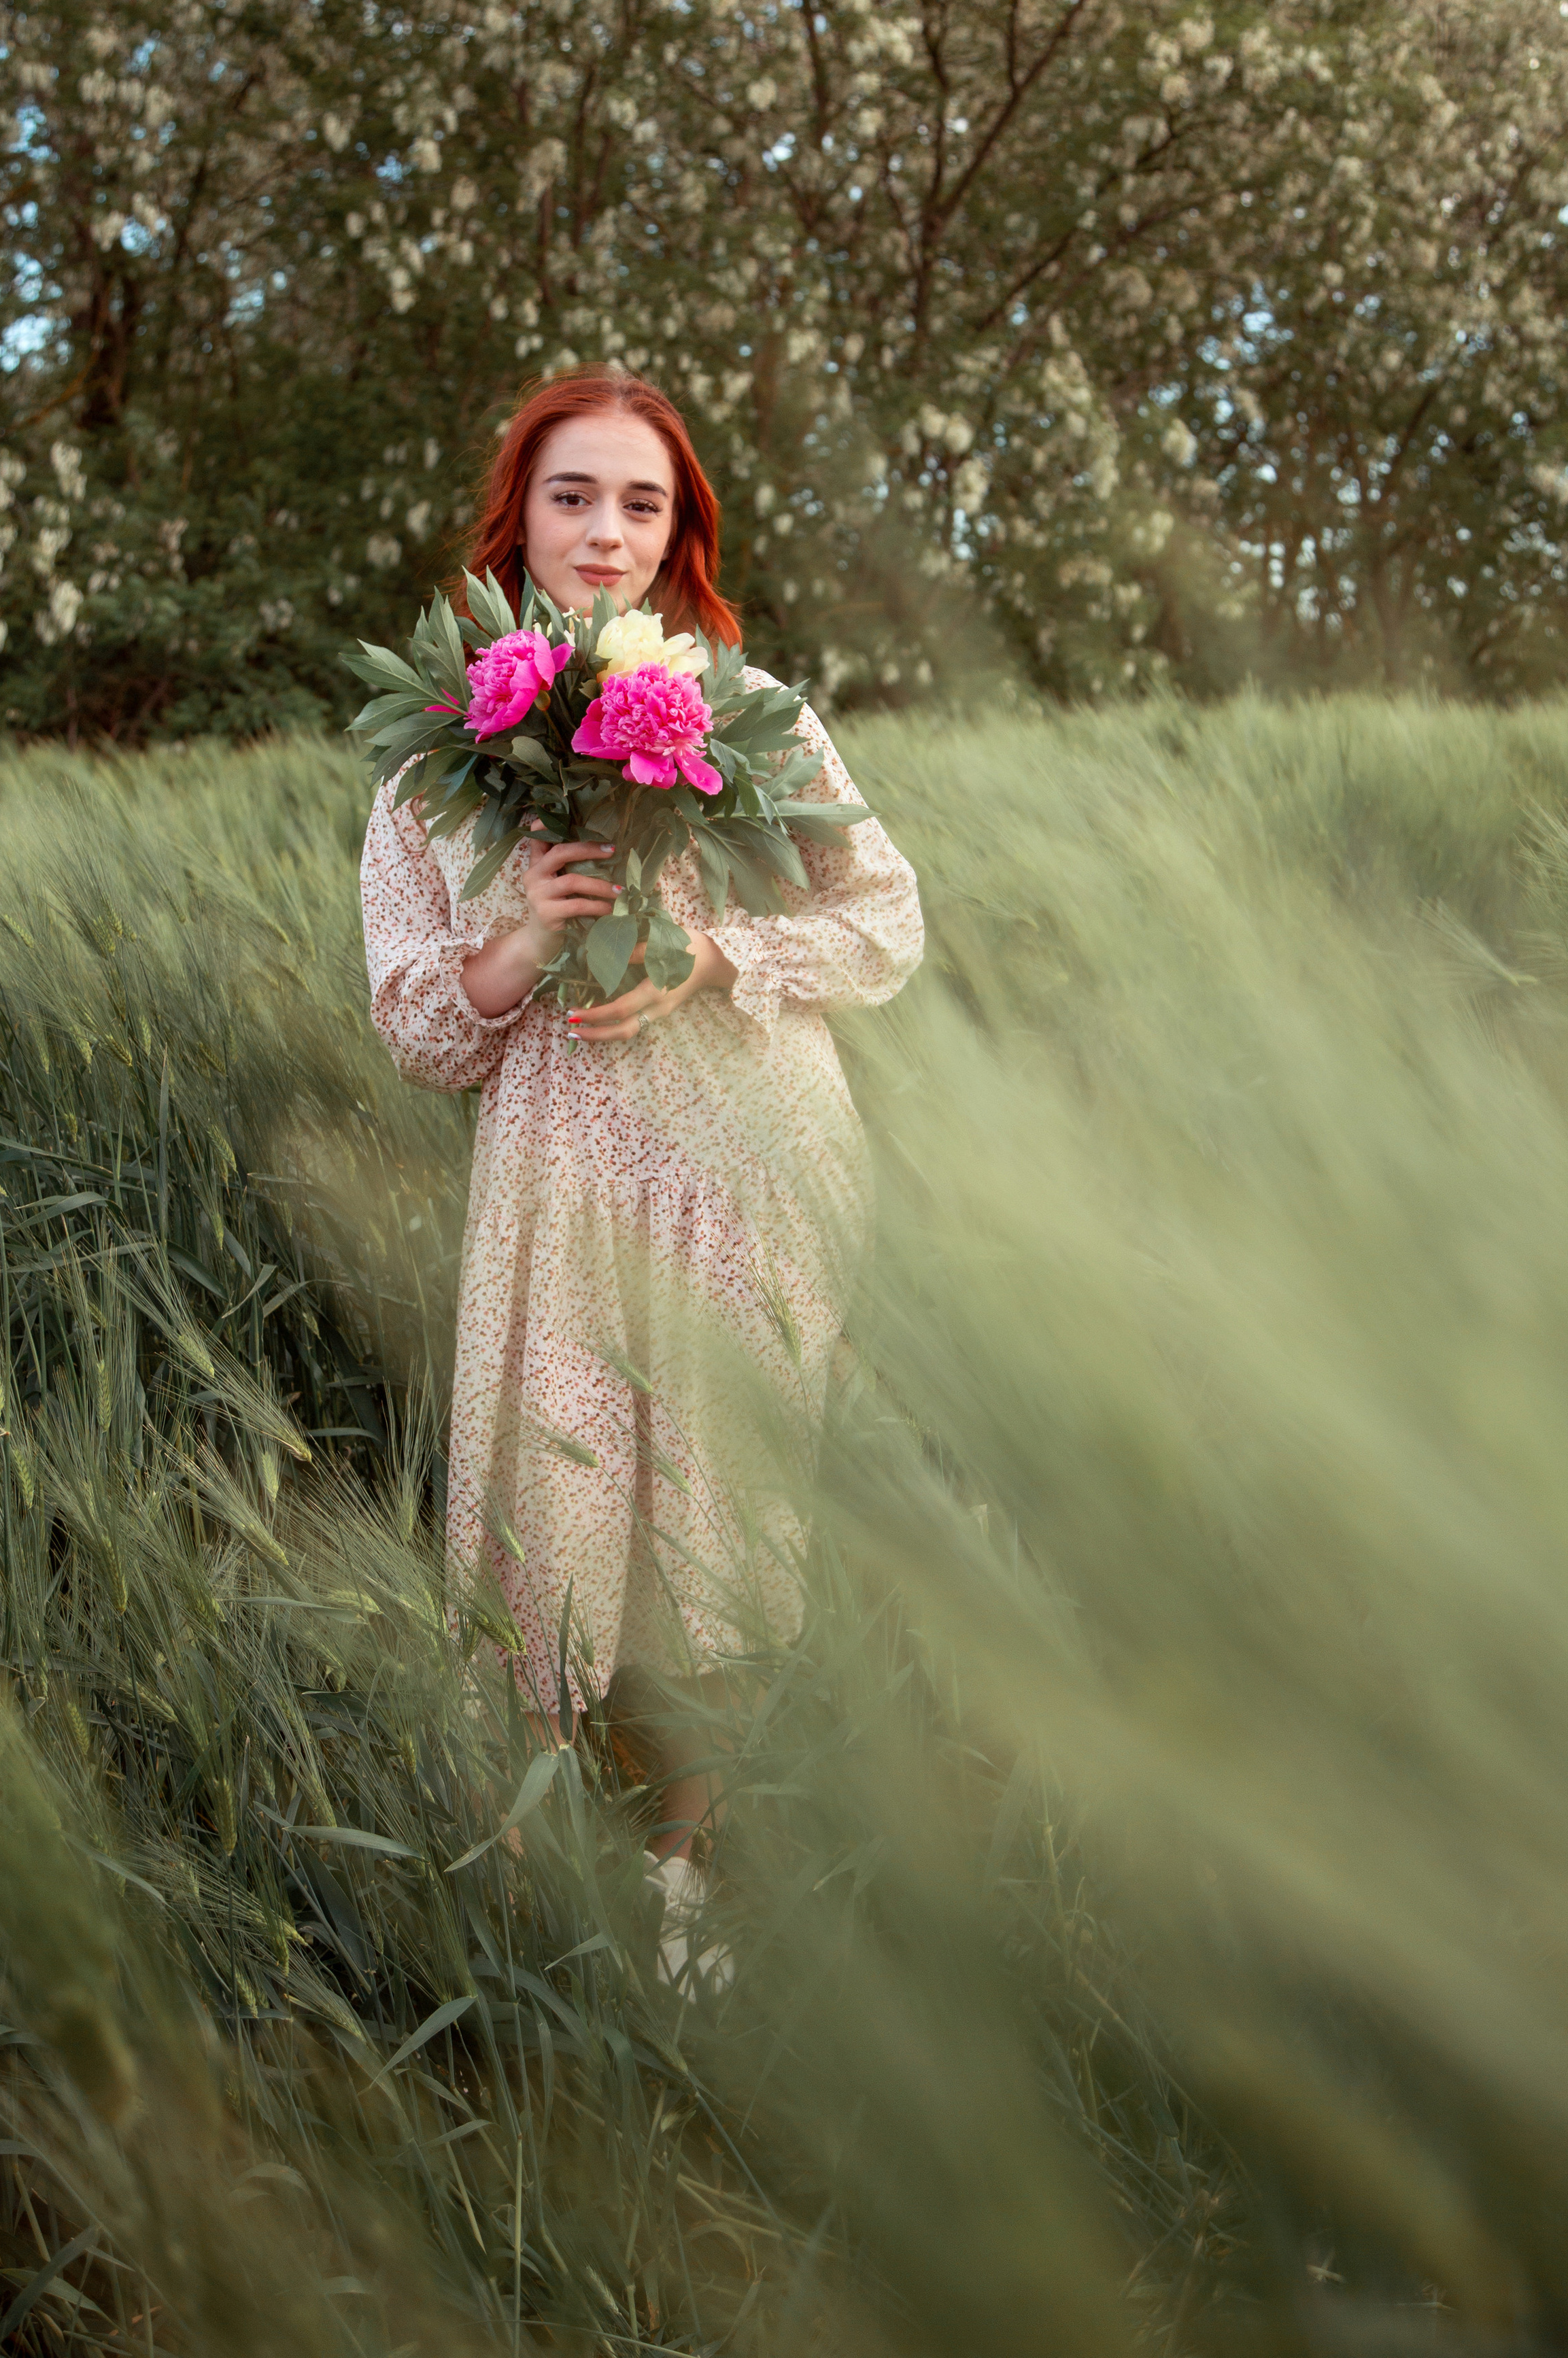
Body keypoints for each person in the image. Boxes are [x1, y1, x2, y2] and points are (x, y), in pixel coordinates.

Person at [359, 366, 922, 1960]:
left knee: (720, 1509)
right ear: (514, 520)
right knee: (549, 1498)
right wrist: (531, 929)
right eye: (570, 495)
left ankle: (681, 1876)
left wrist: (713, 956)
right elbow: (417, 1026)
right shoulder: (433, 760)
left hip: (747, 1153)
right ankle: (542, 1878)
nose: (604, 530)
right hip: (559, 1168)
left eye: (639, 501)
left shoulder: (758, 719)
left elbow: (885, 922)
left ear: (678, 532)